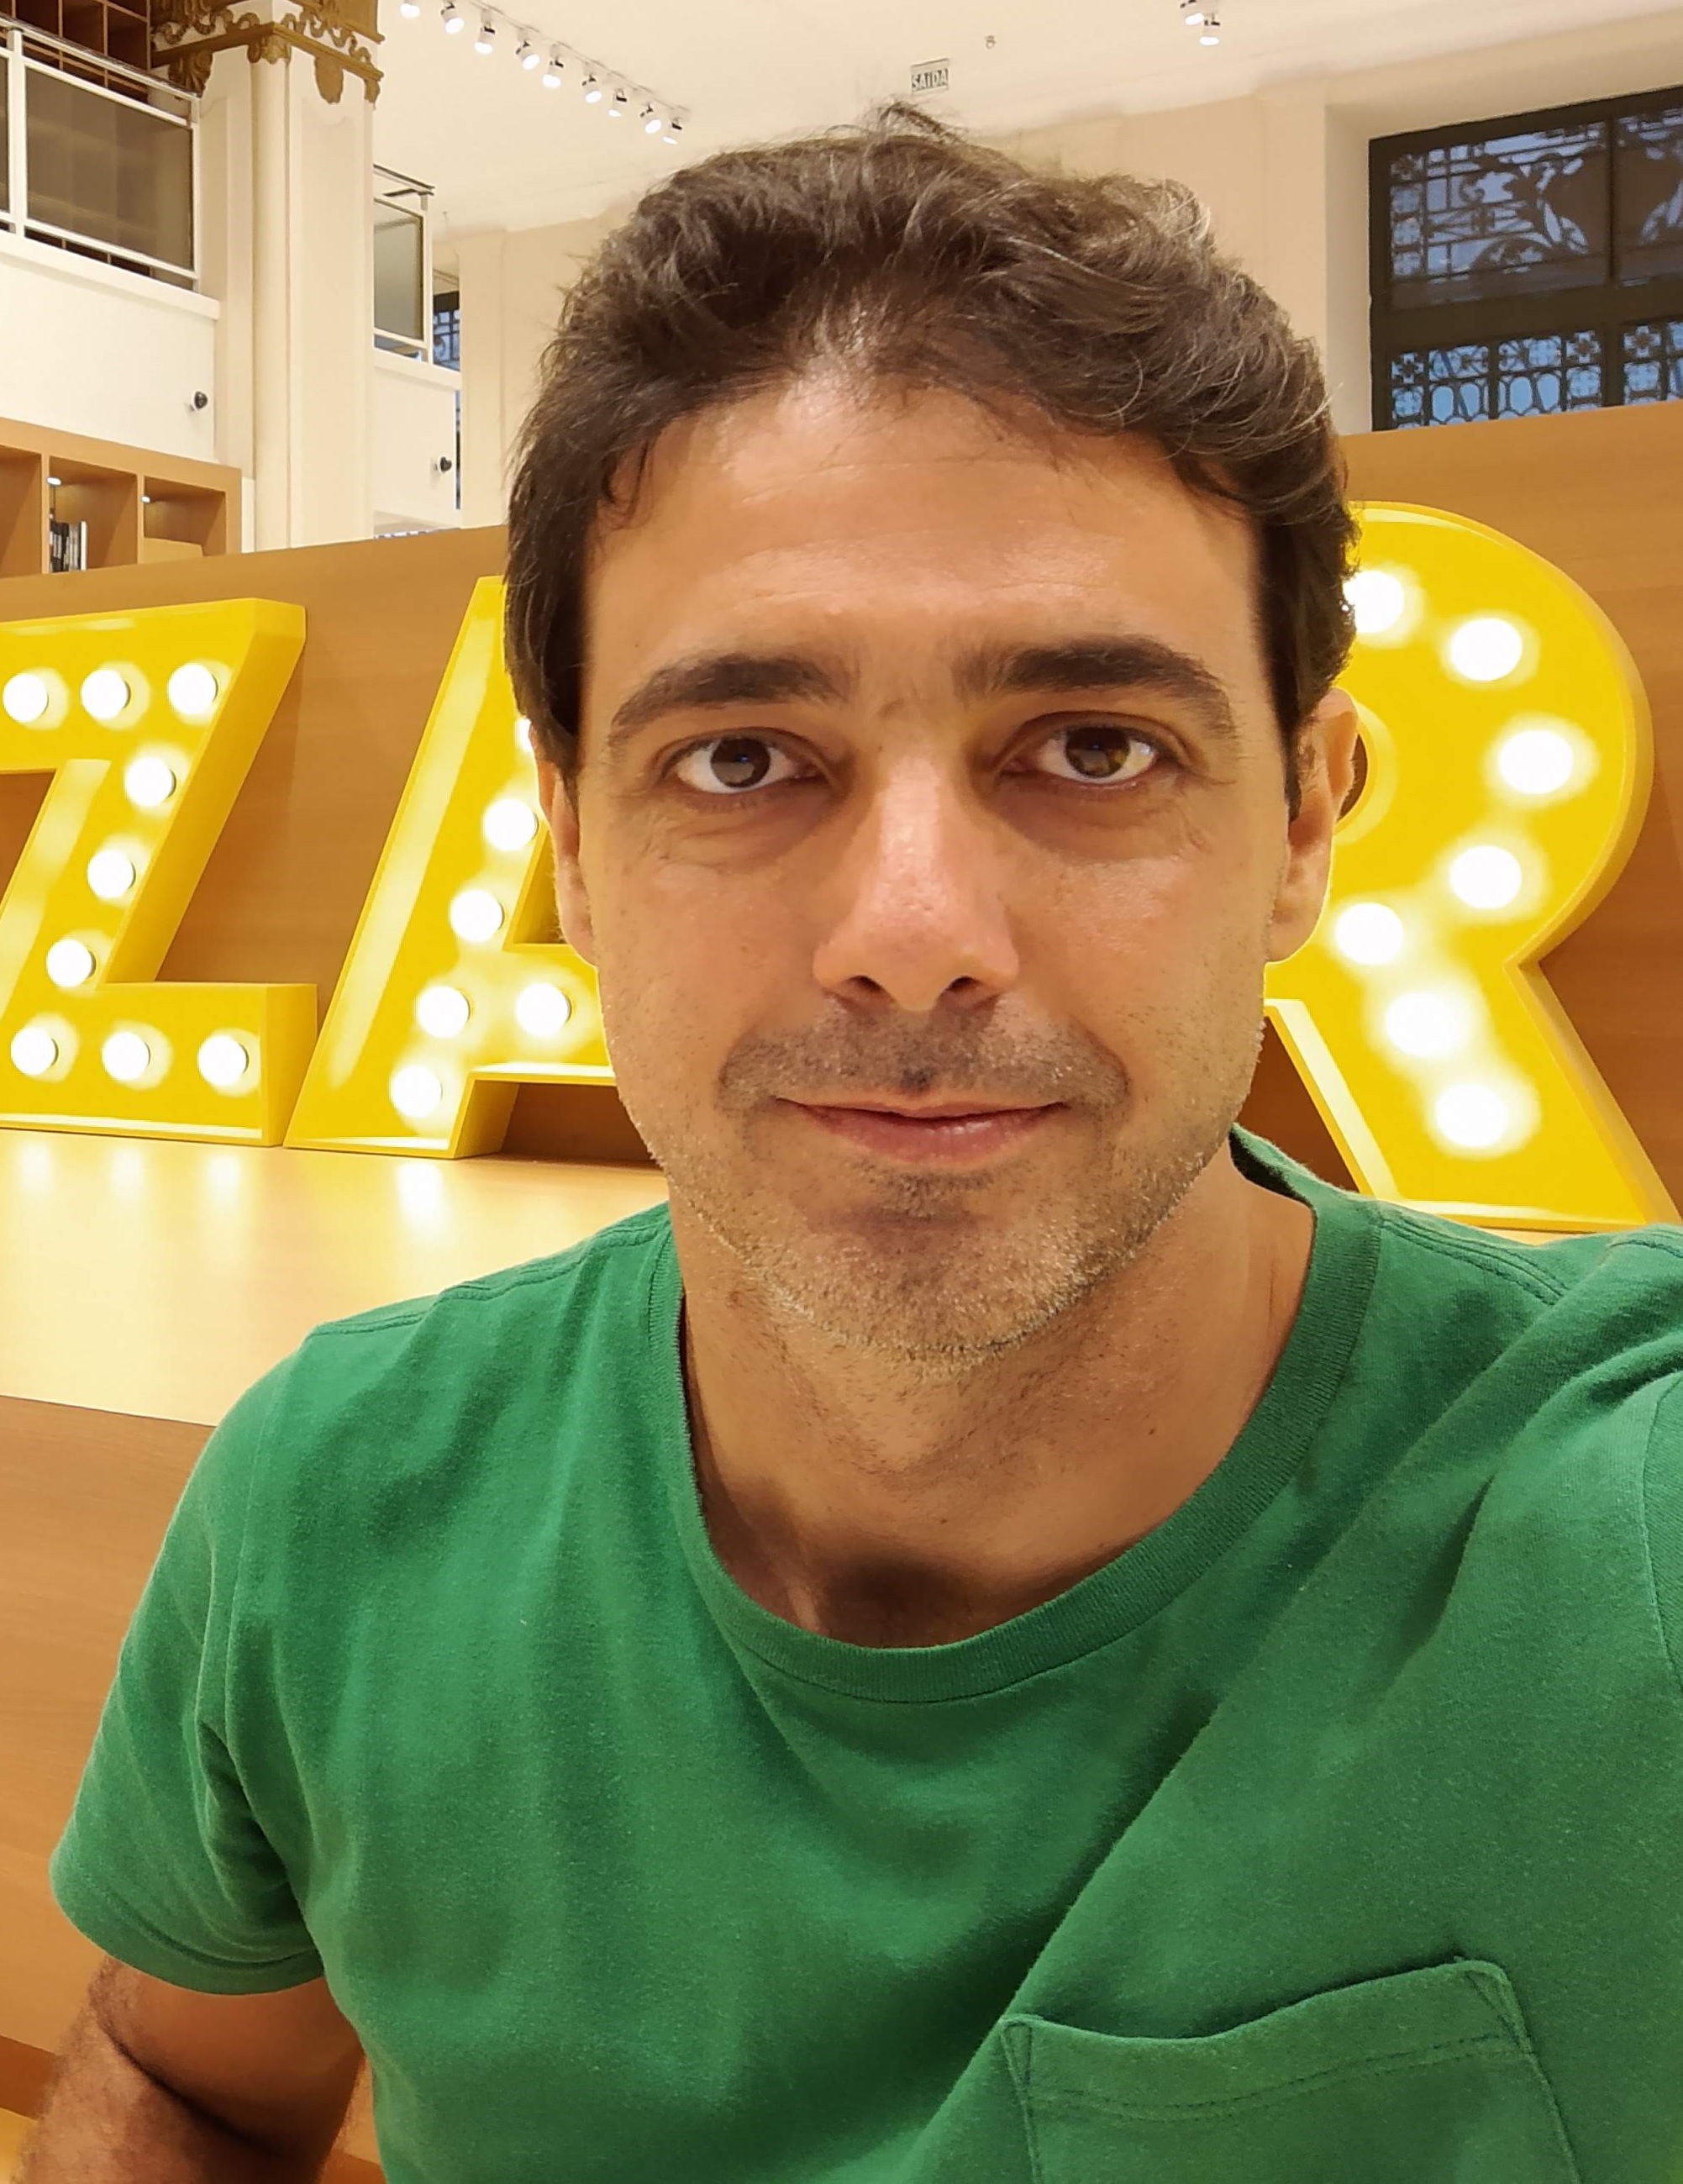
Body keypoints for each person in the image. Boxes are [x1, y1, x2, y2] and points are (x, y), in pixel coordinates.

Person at [23, 106, 1683, 2184]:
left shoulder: (1622, 1534)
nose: (913, 932)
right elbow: (181, 2075)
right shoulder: (338, 1502)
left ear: (1304, 822)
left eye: (1094, 747)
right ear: (572, 848)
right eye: (743, 756)